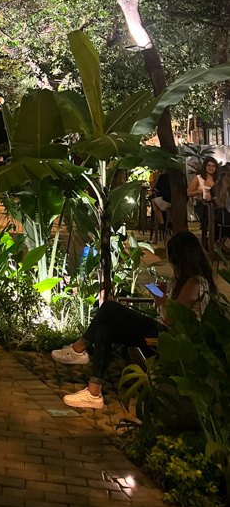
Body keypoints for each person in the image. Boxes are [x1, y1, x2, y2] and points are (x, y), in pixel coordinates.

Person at [51, 231, 215, 409]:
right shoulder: (186, 281)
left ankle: (78, 349)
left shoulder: (195, 284)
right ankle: (93, 393)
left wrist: (162, 300)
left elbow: (171, 320)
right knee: (105, 328)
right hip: (167, 333)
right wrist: (163, 295)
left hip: (171, 339)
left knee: (109, 308)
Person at [188, 156, 217, 244]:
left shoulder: (218, 179)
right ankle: (210, 241)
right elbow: (189, 193)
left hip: (216, 205)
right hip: (202, 205)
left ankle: (215, 240)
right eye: (209, 165)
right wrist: (200, 191)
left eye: (213, 166)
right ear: (204, 167)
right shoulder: (198, 178)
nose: (211, 168)